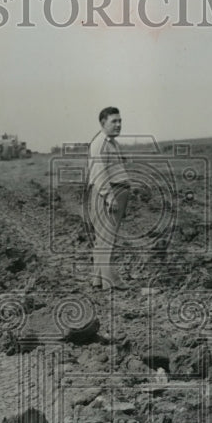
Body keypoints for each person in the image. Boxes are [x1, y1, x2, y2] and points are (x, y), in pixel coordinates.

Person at [86, 107, 130, 290]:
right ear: (103, 123)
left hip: (115, 192)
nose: (118, 125)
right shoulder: (99, 144)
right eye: (114, 121)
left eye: (120, 121)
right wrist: (110, 197)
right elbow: (99, 174)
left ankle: (98, 280)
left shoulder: (112, 143)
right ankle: (112, 282)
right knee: (107, 239)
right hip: (107, 193)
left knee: (104, 239)